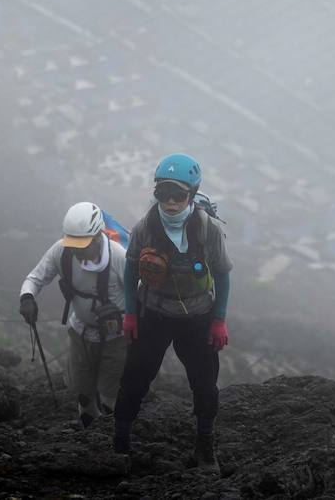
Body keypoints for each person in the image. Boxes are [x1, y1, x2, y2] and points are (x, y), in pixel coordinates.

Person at [113, 153, 232, 466]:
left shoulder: (208, 230)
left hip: (197, 316)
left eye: (178, 194)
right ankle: (120, 441)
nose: (169, 202)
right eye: (162, 193)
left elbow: (222, 274)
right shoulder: (145, 228)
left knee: (204, 385)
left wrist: (219, 320)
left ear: (192, 194)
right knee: (135, 377)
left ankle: (204, 448)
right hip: (153, 313)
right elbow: (131, 270)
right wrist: (130, 313)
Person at [19, 201, 128, 428]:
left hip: (117, 336)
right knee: (83, 393)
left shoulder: (118, 256)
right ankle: (88, 431)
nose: (77, 251)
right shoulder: (62, 251)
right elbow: (35, 278)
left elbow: (140, 290)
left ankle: (112, 435)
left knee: (110, 394)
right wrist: (27, 297)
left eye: (83, 245)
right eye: (74, 245)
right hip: (81, 332)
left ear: (97, 236)